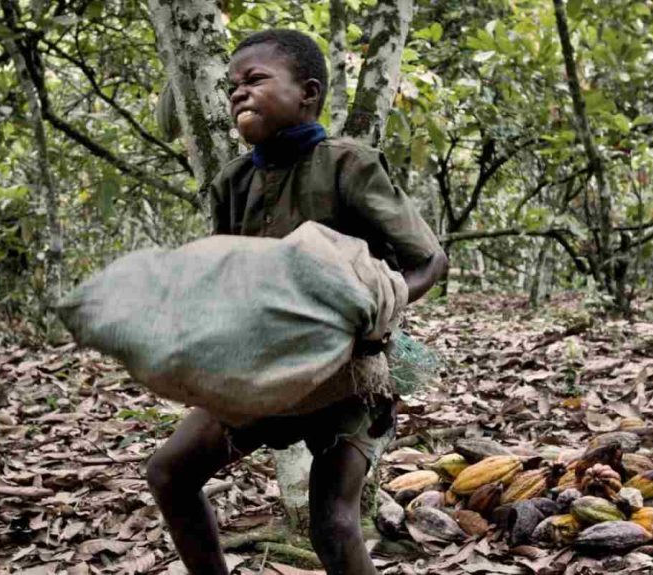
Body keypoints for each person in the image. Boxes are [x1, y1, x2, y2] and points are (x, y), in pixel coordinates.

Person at [146, 29, 448, 575]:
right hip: (266, 371)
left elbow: (430, 261)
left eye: (255, 80)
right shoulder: (233, 183)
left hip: (348, 379)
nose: (239, 93)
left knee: (332, 522)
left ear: (307, 93)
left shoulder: (347, 165)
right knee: (170, 472)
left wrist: (376, 311)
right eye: (233, 86)